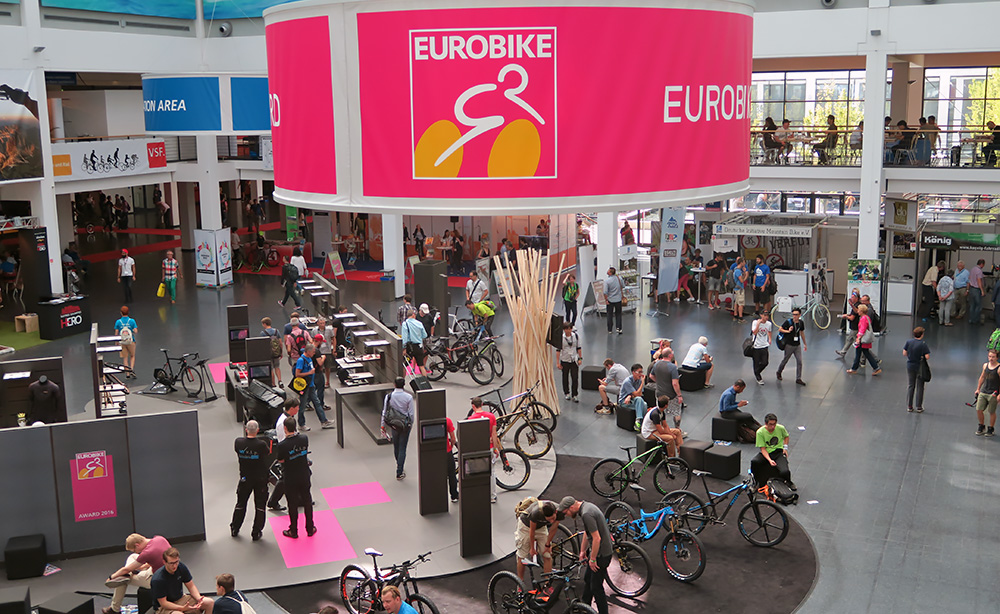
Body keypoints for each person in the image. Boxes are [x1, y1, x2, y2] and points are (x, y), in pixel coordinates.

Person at [557, 497, 612, 614]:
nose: (566, 515)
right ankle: (585, 607)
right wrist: (582, 551)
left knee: (596, 587)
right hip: (600, 551)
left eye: (566, 512)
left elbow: (597, 538)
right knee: (588, 579)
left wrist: (593, 559)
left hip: (602, 554)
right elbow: (588, 533)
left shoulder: (586, 514)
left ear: (571, 507)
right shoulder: (587, 507)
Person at [103, 534, 172, 614]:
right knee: (133, 556)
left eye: (135, 550)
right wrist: (144, 566)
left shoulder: (147, 553)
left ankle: (114, 609)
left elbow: (126, 569)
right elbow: (160, 557)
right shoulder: (160, 538)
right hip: (167, 573)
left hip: (156, 580)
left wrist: (111, 577)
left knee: (121, 579)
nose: (136, 552)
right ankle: (129, 574)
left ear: (137, 545)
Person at [276, 416, 316, 538]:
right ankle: (310, 528)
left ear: (285, 428)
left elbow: (281, 460)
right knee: (307, 501)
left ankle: (293, 530)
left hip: (290, 477)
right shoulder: (304, 439)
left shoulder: (282, 445)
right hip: (304, 474)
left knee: (292, 504)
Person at [230, 420, 268, 541]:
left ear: (246, 430)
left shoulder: (238, 442)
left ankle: (235, 528)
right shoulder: (261, 445)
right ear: (257, 430)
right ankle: (256, 532)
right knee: (260, 506)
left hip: (245, 478)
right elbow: (267, 453)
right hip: (260, 479)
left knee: (241, 504)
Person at [150, 548, 214, 614]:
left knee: (209, 602)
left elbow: (191, 586)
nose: (175, 566)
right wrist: (182, 608)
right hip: (165, 606)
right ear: (164, 562)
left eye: (176, 562)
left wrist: (199, 598)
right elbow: (164, 603)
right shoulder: (158, 579)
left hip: (180, 599)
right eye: (171, 563)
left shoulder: (181, 567)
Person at [515, 499, 563, 580]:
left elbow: (553, 529)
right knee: (522, 555)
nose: (551, 521)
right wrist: (532, 549)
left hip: (541, 527)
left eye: (553, 518)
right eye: (549, 520)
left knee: (547, 555)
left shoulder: (560, 511)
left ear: (555, 512)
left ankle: (547, 582)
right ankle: (520, 582)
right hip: (526, 527)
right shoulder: (536, 512)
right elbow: (532, 531)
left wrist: (548, 544)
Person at [467, 397, 502, 503]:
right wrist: (495, 448)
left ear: (473, 406)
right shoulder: (491, 416)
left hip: (478, 449)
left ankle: (478, 494)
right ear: (482, 404)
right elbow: (494, 434)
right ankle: (492, 496)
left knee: (477, 472)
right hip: (489, 447)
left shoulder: (471, 419)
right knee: (491, 472)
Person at [381, 377, 415, 480]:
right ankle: (399, 470)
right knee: (403, 447)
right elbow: (411, 414)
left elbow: (384, 411)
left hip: (394, 424)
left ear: (394, 384)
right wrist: (411, 424)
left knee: (396, 446)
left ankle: (399, 464)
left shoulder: (389, 396)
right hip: (404, 425)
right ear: (404, 384)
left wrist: (383, 425)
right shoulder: (408, 397)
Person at [295, 344, 335, 430]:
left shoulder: (309, 358)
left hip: (311, 385)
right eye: (313, 352)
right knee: (302, 405)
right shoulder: (301, 360)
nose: (314, 353)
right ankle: (301, 424)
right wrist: (309, 373)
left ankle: (324, 421)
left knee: (317, 403)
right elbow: (297, 374)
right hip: (305, 386)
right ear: (308, 351)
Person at [749, 414, 794, 489]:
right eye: (770, 424)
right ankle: (755, 482)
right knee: (755, 462)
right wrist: (770, 460)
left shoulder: (780, 428)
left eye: (774, 424)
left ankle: (789, 482)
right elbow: (763, 449)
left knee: (785, 471)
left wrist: (785, 448)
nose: (773, 427)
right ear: (766, 424)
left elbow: (786, 436)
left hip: (778, 452)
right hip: (767, 452)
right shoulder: (760, 432)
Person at [649, 348, 684, 433]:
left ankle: (661, 429)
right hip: (671, 395)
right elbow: (675, 383)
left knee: (660, 411)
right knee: (676, 412)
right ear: (670, 355)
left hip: (659, 393)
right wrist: (679, 395)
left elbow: (651, 376)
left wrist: (659, 382)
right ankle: (677, 430)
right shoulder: (672, 367)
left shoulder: (657, 364)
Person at [847, 304, 882, 375]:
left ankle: (854, 369)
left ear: (861, 311)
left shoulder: (863, 319)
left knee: (859, 354)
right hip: (864, 339)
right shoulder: (867, 317)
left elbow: (862, 329)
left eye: (859, 310)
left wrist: (858, 338)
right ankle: (876, 368)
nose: (857, 311)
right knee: (865, 353)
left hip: (862, 340)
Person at [776, 308, 807, 385]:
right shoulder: (788, 322)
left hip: (797, 345)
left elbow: (802, 333)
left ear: (799, 315)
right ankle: (779, 371)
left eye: (796, 315)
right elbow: (780, 329)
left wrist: (805, 343)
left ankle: (798, 378)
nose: (794, 316)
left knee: (799, 361)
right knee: (785, 360)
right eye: (793, 314)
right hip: (789, 345)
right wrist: (788, 331)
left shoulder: (801, 323)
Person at [902, 327, 930, 414]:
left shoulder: (909, 342)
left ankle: (909, 406)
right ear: (922, 335)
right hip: (920, 367)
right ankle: (919, 406)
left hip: (910, 365)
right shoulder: (923, 344)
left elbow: (904, 353)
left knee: (911, 385)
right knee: (920, 387)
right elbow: (927, 357)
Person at [975, 349, 1000, 436]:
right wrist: (978, 389)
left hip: (993, 393)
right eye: (989, 356)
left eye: (993, 357)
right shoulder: (985, 365)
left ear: (997, 358)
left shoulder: (999, 368)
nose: (991, 358)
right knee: (979, 409)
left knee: (991, 411)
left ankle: (991, 428)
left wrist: (999, 394)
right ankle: (981, 425)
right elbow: (982, 377)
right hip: (984, 391)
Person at [555, 322, 582, 402]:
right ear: (564, 330)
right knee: (565, 377)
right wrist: (557, 362)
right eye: (566, 329)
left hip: (574, 359)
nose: (568, 331)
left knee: (575, 377)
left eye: (569, 329)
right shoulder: (561, 338)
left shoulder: (576, 336)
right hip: (565, 360)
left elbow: (579, 348)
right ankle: (566, 393)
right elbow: (558, 350)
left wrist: (580, 358)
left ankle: (575, 394)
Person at [618, 363, 647, 431]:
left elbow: (640, 394)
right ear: (633, 372)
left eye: (641, 372)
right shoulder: (627, 382)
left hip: (633, 399)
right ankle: (641, 422)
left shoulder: (639, 380)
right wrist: (642, 383)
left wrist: (630, 396)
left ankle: (640, 422)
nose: (641, 374)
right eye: (639, 372)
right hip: (624, 401)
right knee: (641, 402)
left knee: (644, 404)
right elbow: (637, 394)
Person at [401, 309, 428, 375]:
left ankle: (403, 380)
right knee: (421, 366)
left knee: (404, 365)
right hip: (419, 347)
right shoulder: (419, 323)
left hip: (409, 348)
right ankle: (425, 380)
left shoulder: (405, 324)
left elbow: (404, 337)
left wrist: (404, 348)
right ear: (413, 315)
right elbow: (425, 335)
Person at [114, 306, 138, 377]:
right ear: (128, 312)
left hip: (122, 342)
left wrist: (116, 341)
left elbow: (116, 332)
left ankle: (127, 373)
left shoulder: (118, 322)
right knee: (132, 356)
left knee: (125, 357)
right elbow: (136, 331)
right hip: (131, 341)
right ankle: (131, 369)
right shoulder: (132, 321)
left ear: (121, 313)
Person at [750, 311, 772, 385]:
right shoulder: (755, 322)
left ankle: (757, 372)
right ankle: (758, 377)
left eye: (767, 315)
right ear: (761, 315)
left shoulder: (769, 324)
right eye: (765, 315)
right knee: (756, 362)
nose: (766, 317)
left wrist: (769, 339)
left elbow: (769, 331)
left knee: (765, 362)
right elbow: (754, 332)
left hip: (764, 345)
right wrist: (758, 324)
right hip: (756, 346)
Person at [837, 292, 861, 357]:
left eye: (853, 297)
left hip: (855, 327)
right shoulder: (857, 305)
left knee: (858, 344)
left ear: (856, 298)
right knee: (850, 340)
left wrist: (846, 316)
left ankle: (872, 358)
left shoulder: (856, 306)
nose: (851, 298)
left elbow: (852, 318)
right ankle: (843, 352)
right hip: (855, 327)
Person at [604, 267, 623, 334]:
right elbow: (623, 286)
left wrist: (606, 300)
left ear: (610, 273)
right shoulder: (619, 278)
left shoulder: (607, 281)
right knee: (618, 314)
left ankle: (610, 329)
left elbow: (605, 292)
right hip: (618, 299)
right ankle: (619, 328)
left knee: (610, 315)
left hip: (610, 300)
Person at [445, 416, 459, 502]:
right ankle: (454, 495)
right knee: (451, 474)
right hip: (447, 451)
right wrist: (451, 446)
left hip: (434, 453)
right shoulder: (447, 421)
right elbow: (453, 438)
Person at [730, 256, 748, 322]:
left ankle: (735, 315)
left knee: (736, 302)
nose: (745, 263)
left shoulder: (735, 269)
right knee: (741, 303)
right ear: (741, 262)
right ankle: (740, 317)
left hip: (737, 288)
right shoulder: (738, 271)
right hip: (739, 289)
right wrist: (745, 275)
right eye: (744, 262)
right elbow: (741, 280)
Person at [969, 258, 986, 325]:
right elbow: (979, 281)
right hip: (976, 290)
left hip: (971, 288)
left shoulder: (972, 269)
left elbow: (969, 278)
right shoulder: (979, 271)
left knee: (972, 305)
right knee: (978, 306)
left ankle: (971, 319)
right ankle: (975, 320)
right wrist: (982, 290)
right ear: (982, 264)